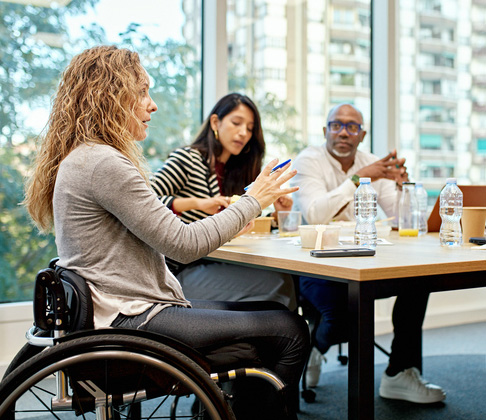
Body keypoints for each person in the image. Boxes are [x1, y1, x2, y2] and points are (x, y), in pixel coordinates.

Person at [23, 45, 310, 419]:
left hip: (120, 310)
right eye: (142, 91)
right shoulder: (102, 162)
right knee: (290, 329)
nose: (152, 104)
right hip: (130, 318)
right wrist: (253, 199)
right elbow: (185, 245)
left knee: (273, 310)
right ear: (110, 95)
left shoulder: (86, 157)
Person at [291, 103, 446, 404]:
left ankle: (398, 373)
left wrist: (403, 189)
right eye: (337, 125)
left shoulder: (373, 162)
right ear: (325, 131)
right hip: (319, 265)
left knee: (419, 278)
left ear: (362, 135)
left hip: (367, 260)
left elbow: (403, 223)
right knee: (341, 320)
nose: (344, 132)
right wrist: (358, 179)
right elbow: (313, 214)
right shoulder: (309, 160)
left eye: (352, 127)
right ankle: (314, 348)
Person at [151, 93, 296, 310]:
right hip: (177, 271)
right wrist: (197, 203)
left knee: (283, 278)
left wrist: (277, 213)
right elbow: (146, 202)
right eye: (237, 123)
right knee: (279, 285)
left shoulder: (239, 171)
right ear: (215, 122)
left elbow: (250, 224)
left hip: (218, 263)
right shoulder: (188, 159)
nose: (243, 133)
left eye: (249, 128)